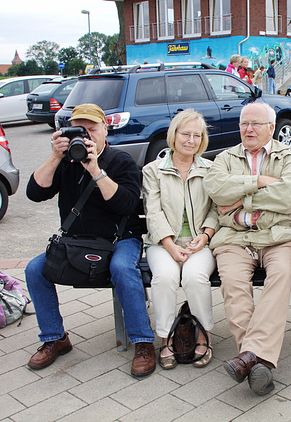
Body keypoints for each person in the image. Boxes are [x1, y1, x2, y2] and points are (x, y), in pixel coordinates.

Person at [24, 103, 156, 378]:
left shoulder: (121, 161)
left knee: (122, 268)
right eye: (78, 130)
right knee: (34, 270)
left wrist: (95, 169)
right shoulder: (65, 162)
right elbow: (35, 193)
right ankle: (55, 339)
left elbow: (127, 205)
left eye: (92, 130)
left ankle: (142, 342)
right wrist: (54, 156)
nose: (85, 136)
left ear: (105, 129)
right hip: (77, 240)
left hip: (120, 239)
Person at [204, 102, 291, 396]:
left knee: (281, 276)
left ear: (271, 128)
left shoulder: (289, 157)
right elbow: (217, 190)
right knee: (234, 284)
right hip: (234, 237)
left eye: (256, 124)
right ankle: (258, 363)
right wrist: (260, 182)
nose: (248, 129)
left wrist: (240, 200)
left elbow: (289, 197)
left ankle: (247, 358)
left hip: (278, 237)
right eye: (244, 123)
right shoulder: (224, 158)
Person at [142, 110, 218, 370]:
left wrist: (205, 235)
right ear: (173, 135)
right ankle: (166, 338)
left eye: (197, 135)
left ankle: (203, 336)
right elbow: (153, 211)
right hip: (163, 242)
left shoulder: (210, 169)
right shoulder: (154, 171)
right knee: (164, 277)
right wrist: (170, 245)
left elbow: (216, 209)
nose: (191, 140)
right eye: (186, 134)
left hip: (200, 242)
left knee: (195, 277)